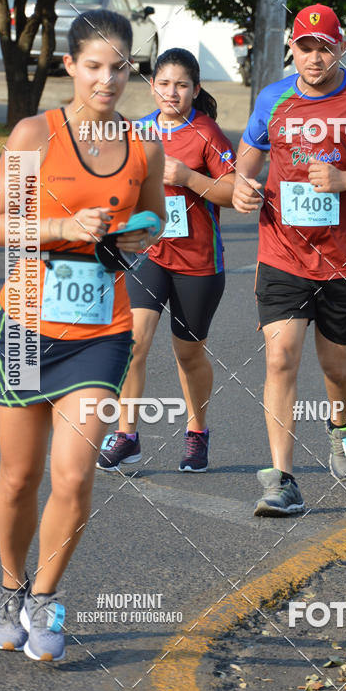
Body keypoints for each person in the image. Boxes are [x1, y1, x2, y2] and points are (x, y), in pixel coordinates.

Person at [0, 9, 165, 660]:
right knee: (18, 477)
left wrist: (136, 237)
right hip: (28, 326)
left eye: (119, 67)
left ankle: (44, 599)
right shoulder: (38, 135)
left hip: (100, 332)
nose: (107, 79)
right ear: (70, 66)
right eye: (94, 66)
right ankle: (10, 587)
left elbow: (157, 221)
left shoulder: (143, 145)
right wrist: (63, 229)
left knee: (75, 475)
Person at [232, 3, 346, 516]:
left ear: (341, 47)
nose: (314, 57)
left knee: (336, 364)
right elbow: (250, 150)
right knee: (279, 356)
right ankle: (281, 480)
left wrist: (345, 180)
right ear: (292, 47)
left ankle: (340, 424)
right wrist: (243, 182)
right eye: (305, 47)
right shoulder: (273, 98)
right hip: (282, 251)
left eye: (324, 47)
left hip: (345, 258)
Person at [96, 48, 236, 474]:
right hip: (148, 254)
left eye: (181, 85)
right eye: (164, 83)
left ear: (194, 89)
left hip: (197, 262)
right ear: (152, 85)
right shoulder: (136, 131)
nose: (171, 92)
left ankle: (197, 433)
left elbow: (233, 194)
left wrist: (187, 178)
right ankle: (127, 436)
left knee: (188, 355)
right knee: (132, 344)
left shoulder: (208, 133)